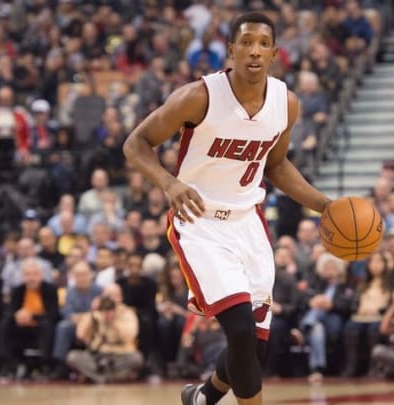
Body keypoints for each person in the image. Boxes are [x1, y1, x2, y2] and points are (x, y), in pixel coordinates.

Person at [123, 12, 331, 405]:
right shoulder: (198, 96)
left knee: (254, 348)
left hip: (248, 225)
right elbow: (136, 143)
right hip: (199, 223)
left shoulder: (285, 104)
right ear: (231, 50)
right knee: (239, 332)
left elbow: (277, 165)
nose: (254, 51)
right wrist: (170, 183)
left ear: (274, 53)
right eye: (246, 42)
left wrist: (324, 204)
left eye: (262, 44)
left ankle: (202, 398)